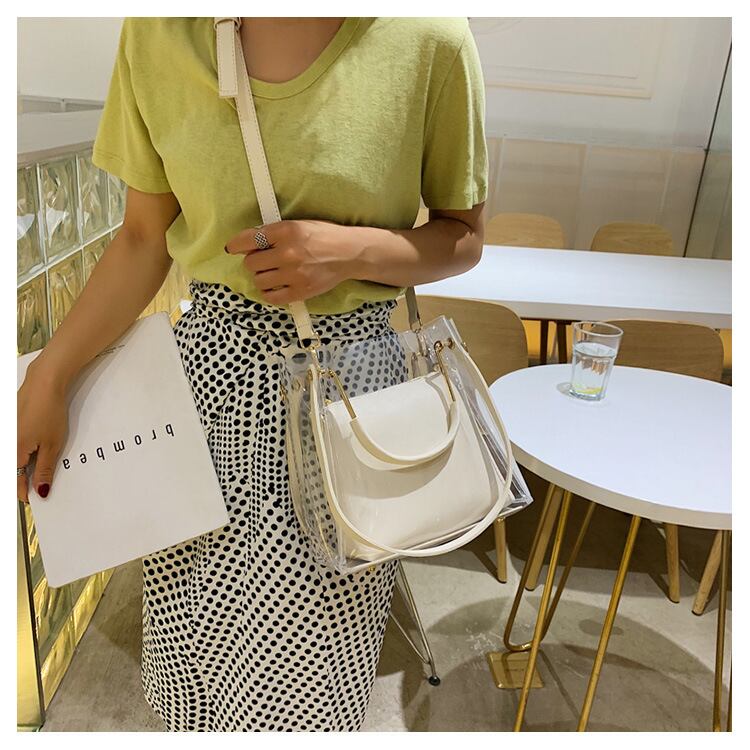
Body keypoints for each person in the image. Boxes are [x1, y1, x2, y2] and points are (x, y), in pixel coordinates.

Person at [17, 16, 488, 732]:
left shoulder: (428, 35)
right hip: (202, 394)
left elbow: (465, 234)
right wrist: (49, 376)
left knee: (311, 677)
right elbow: (143, 238)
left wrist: (350, 251)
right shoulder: (159, 31)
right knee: (195, 670)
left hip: (346, 396)